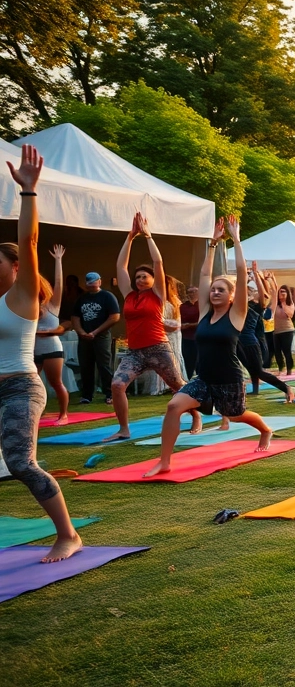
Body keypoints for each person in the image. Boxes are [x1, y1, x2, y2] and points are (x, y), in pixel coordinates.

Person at [144, 216, 276, 477]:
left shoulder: (237, 314)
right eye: (213, 289)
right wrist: (213, 244)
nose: (214, 292)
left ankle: (265, 430)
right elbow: (204, 274)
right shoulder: (205, 313)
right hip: (203, 378)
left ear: (231, 296)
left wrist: (236, 241)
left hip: (229, 380)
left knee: (237, 416)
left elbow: (239, 273)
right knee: (174, 406)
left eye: (220, 290)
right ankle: (165, 461)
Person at [2, 143, 84, 561]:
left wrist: (29, 192)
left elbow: (29, 240)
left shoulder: (21, 296)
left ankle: (68, 534)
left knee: (20, 463)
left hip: (18, 388)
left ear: (14, 268)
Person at [102, 213, 201, 442]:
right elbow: (121, 266)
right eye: (137, 277)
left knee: (178, 385)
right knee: (117, 385)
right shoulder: (129, 296)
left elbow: (158, 262)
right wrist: (129, 237)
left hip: (158, 348)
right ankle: (123, 429)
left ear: (153, 279)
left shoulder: (157, 295)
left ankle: (196, 415)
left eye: (144, 276)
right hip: (135, 352)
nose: (139, 279)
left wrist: (147, 236)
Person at [235, 264, 291, 400]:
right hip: (237, 341)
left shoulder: (258, 307)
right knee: (250, 369)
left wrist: (256, 275)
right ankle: (254, 390)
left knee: (259, 370)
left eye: (252, 293)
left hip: (250, 341)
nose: (250, 294)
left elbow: (262, 293)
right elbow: (238, 290)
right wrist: (245, 278)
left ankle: (287, 388)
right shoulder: (239, 305)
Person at [71, 270, 119, 404]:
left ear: (99, 282)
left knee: (104, 366)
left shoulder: (107, 296)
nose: (92, 286)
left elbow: (114, 317)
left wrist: (96, 331)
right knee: (86, 366)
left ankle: (110, 393)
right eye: (89, 284)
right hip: (84, 337)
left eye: (94, 283)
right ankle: (87, 395)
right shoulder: (82, 298)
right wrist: (81, 332)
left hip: (102, 336)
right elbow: (75, 317)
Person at [34, 245, 70, 424]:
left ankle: (63, 414)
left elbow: (58, 283)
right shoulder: (26, 305)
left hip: (51, 349)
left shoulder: (52, 304)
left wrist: (58, 261)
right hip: (33, 349)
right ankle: (38, 411)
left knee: (56, 382)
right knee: (32, 383)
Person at [268, 279, 295, 375]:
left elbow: (289, 314)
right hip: (276, 331)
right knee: (277, 351)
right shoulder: (275, 304)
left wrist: (284, 302)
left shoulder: (290, 304)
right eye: (280, 292)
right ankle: (281, 368)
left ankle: (289, 369)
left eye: (283, 291)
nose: (281, 293)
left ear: (288, 293)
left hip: (287, 330)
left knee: (286, 350)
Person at [180, 285, 200, 380]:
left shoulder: (202, 305)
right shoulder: (183, 306)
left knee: (200, 361)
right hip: (186, 337)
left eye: (194, 291)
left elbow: (204, 320)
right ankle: (186, 380)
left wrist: (189, 325)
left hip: (199, 337)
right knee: (188, 360)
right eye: (190, 292)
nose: (192, 294)